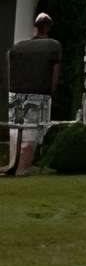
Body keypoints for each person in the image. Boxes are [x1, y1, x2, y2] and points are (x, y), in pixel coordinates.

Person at [7, 13, 58, 178]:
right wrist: (51, 92)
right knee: (32, 130)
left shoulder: (18, 46)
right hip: (39, 92)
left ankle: (13, 164)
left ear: (36, 26)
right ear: (48, 27)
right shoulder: (53, 46)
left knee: (16, 127)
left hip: (15, 91)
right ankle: (23, 167)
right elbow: (55, 73)